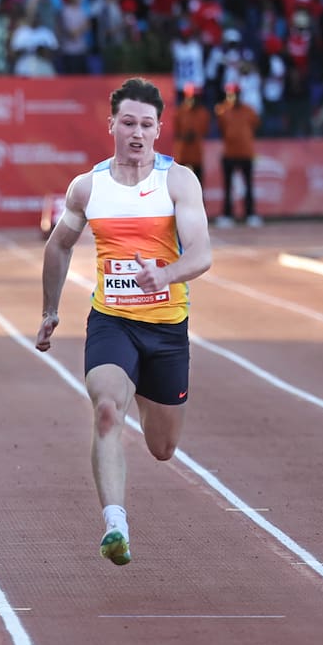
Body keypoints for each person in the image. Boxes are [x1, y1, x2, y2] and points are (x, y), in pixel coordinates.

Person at [34, 76, 213, 566]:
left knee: (162, 447)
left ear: (159, 129)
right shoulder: (88, 187)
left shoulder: (178, 182)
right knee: (108, 409)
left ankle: (148, 426)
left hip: (167, 328)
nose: (137, 132)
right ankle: (115, 524)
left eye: (146, 124)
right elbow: (59, 245)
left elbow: (201, 254)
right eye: (128, 122)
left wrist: (167, 274)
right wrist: (51, 310)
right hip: (112, 322)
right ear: (111, 124)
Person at [213, 81, 261, 227]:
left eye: (237, 94)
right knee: (227, 187)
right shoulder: (221, 110)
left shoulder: (249, 111)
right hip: (230, 153)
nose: (234, 97)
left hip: (246, 153)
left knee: (249, 185)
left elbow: (256, 125)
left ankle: (250, 214)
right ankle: (227, 215)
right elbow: (221, 128)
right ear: (227, 95)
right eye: (231, 94)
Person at [170, 82, 210, 189]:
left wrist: (194, 135)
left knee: (198, 187)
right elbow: (174, 132)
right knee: (180, 187)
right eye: (192, 97)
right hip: (183, 154)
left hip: (197, 155)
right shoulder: (179, 112)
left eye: (197, 97)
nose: (195, 100)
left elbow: (205, 131)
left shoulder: (203, 113)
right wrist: (184, 136)